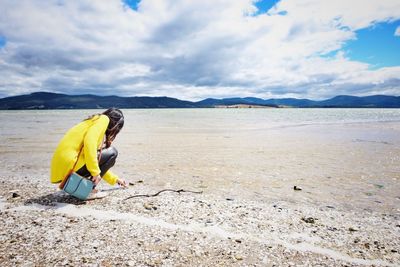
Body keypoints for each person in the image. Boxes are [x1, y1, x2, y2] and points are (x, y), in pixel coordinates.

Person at [50, 108, 127, 197]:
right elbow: (89, 142)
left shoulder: (93, 121)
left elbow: (96, 162)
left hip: (64, 169)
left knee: (100, 157)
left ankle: (78, 187)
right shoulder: (104, 119)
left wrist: (115, 179)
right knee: (113, 152)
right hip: (70, 166)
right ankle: (88, 190)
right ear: (115, 124)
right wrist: (95, 172)